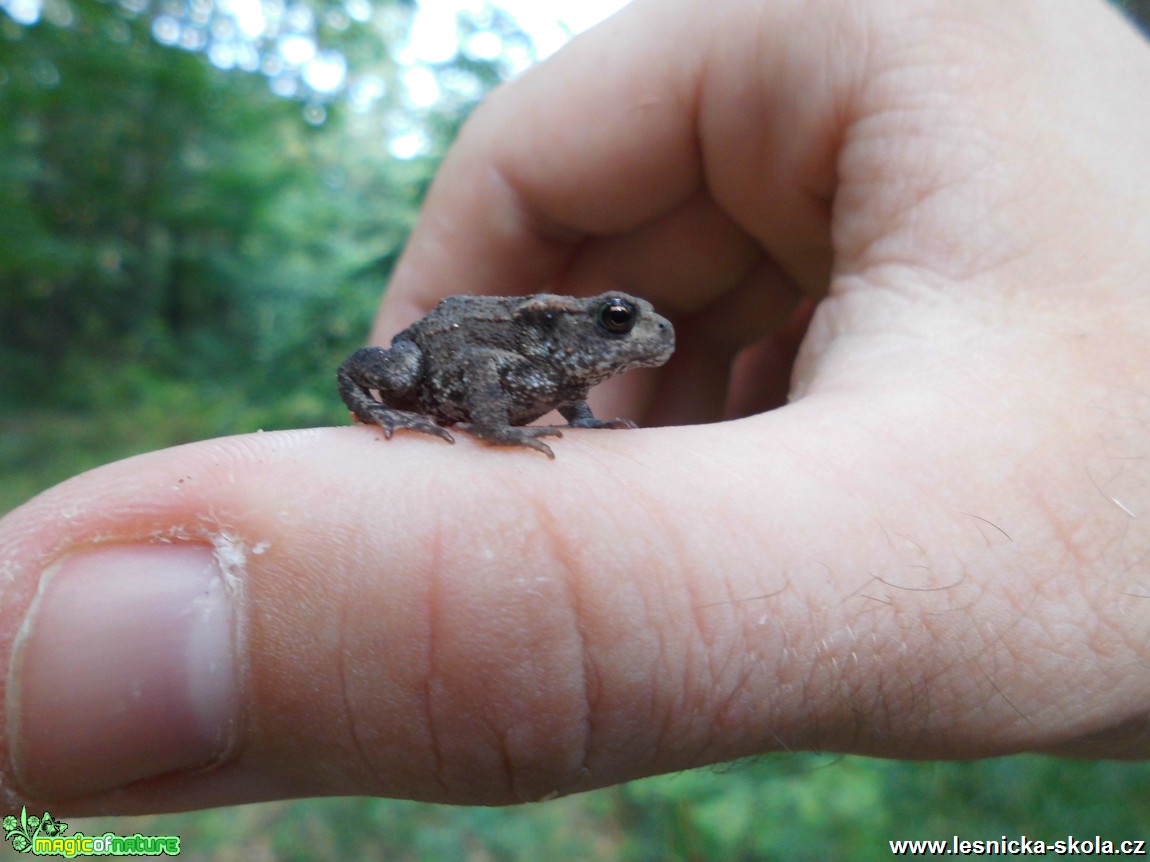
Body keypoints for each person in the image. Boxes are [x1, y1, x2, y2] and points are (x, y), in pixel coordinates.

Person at [2, 0, 1149, 815]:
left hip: (494, 359)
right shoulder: (535, 341)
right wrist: (464, 420)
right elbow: (480, 373)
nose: (630, 339)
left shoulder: (576, 362)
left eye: (627, 330)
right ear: (574, 320)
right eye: (612, 322)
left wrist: (574, 416)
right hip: (441, 351)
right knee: (389, 369)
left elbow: (567, 391)